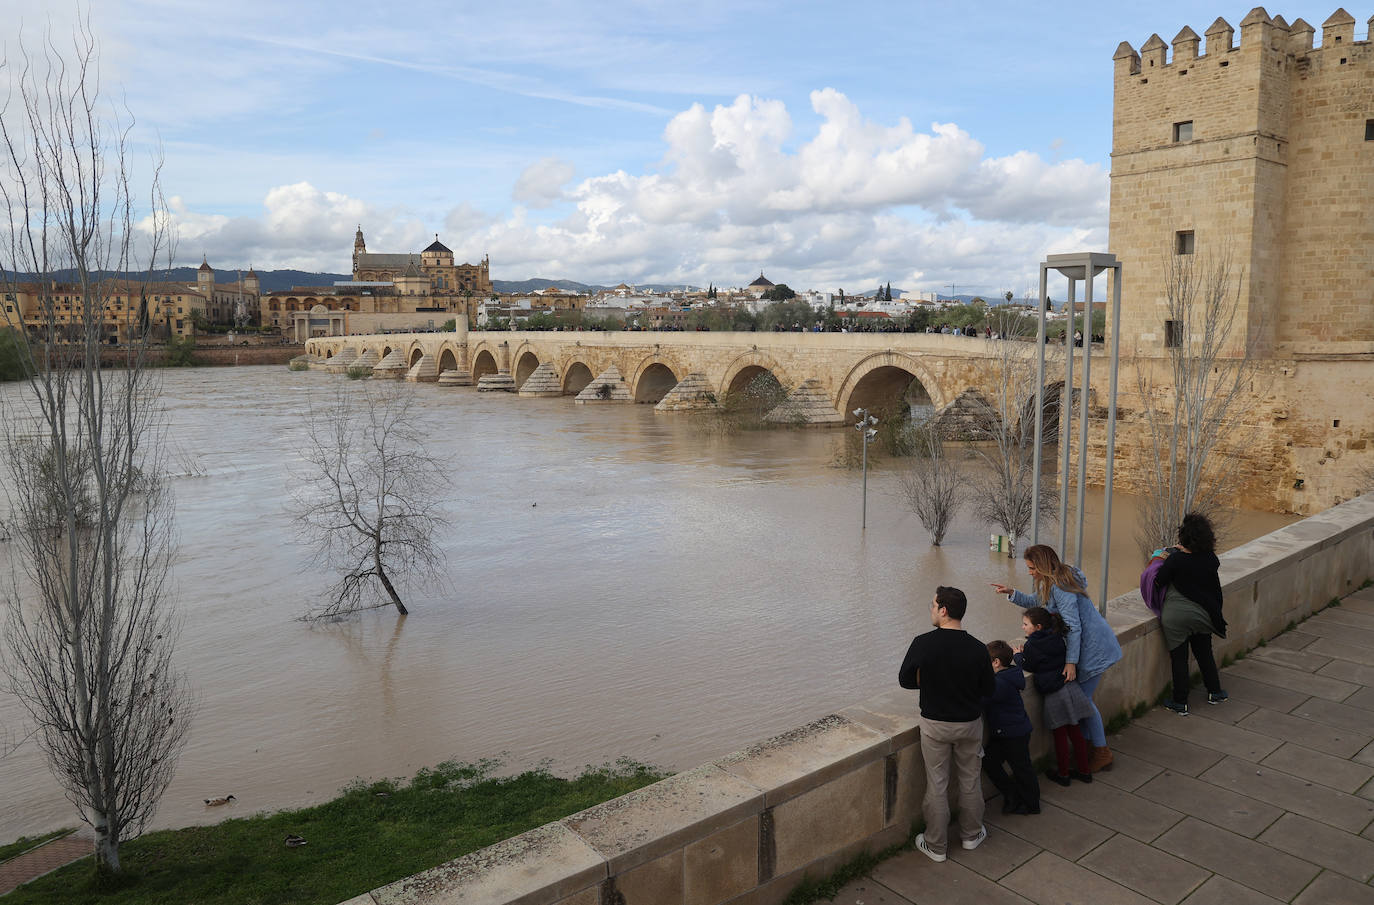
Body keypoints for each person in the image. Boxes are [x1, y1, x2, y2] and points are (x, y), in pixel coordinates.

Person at [991, 544, 1122, 772]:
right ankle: (1090, 749)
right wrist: (1012, 593)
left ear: (1042, 566)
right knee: (1081, 702)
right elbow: (1036, 601)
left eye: (1032, 568)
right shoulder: (1055, 581)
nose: (1030, 572)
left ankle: (1101, 751)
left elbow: (1073, 626)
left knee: (1084, 702)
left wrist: (1070, 662)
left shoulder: (1061, 587)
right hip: (1091, 646)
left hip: (1093, 649)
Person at [898, 586, 995, 863]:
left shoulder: (922, 643)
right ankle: (971, 835)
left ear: (943, 610)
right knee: (970, 779)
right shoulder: (978, 648)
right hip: (969, 724)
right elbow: (988, 688)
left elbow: (904, 680)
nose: (930, 610)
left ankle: (936, 846)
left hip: (935, 724)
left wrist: (928, 680)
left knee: (937, 784)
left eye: (932, 605)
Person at [1154, 512, 1228, 715]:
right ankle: (1215, 692)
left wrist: (1165, 557)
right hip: (1204, 615)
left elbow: (1158, 581)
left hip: (1177, 618)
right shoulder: (1211, 559)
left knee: (1179, 659)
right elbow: (1198, 562)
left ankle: (1180, 702)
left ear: (1183, 537)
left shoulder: (1176, 561)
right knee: (1204, 653)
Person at [1014, 608, 1094, 786]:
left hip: (1054, 693)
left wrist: (1018, 656)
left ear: (1038, 627)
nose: (1023, 627)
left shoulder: (1032, 646)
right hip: (1069, 687)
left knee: (1060, 735)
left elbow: (1031, 666)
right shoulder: (1057, 637)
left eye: (1026, 624)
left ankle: (1064, 775)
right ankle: (1084, 771)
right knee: (1076, 732)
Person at [983, 640, 1040, 814]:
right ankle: (1012, 794)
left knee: (1022, 769)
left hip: (1013, 734)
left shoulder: (1000, 684)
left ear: (996, 663)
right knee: (990, 762)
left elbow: (981, 700)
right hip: (1008, 732)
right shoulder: (1008, 675)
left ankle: (1032, 804)